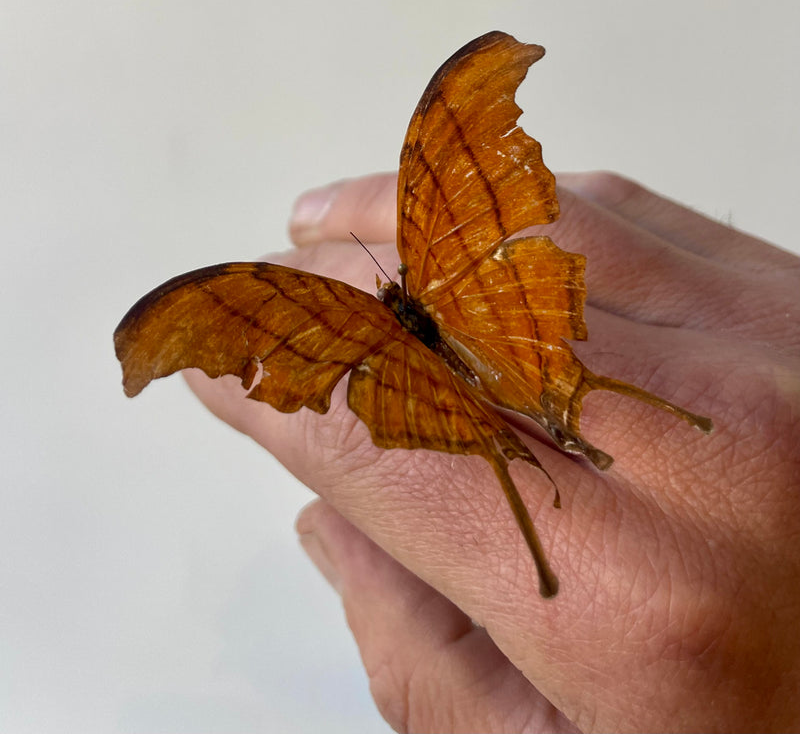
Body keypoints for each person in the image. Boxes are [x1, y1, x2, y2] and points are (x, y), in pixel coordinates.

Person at [186, 170, 800, 734]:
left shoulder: (374, 318)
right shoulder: (416, 286)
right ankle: (565, 472)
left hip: (440, 354)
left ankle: (538, 508)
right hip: (467, 337)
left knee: (509, 433)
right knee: (548, 398)